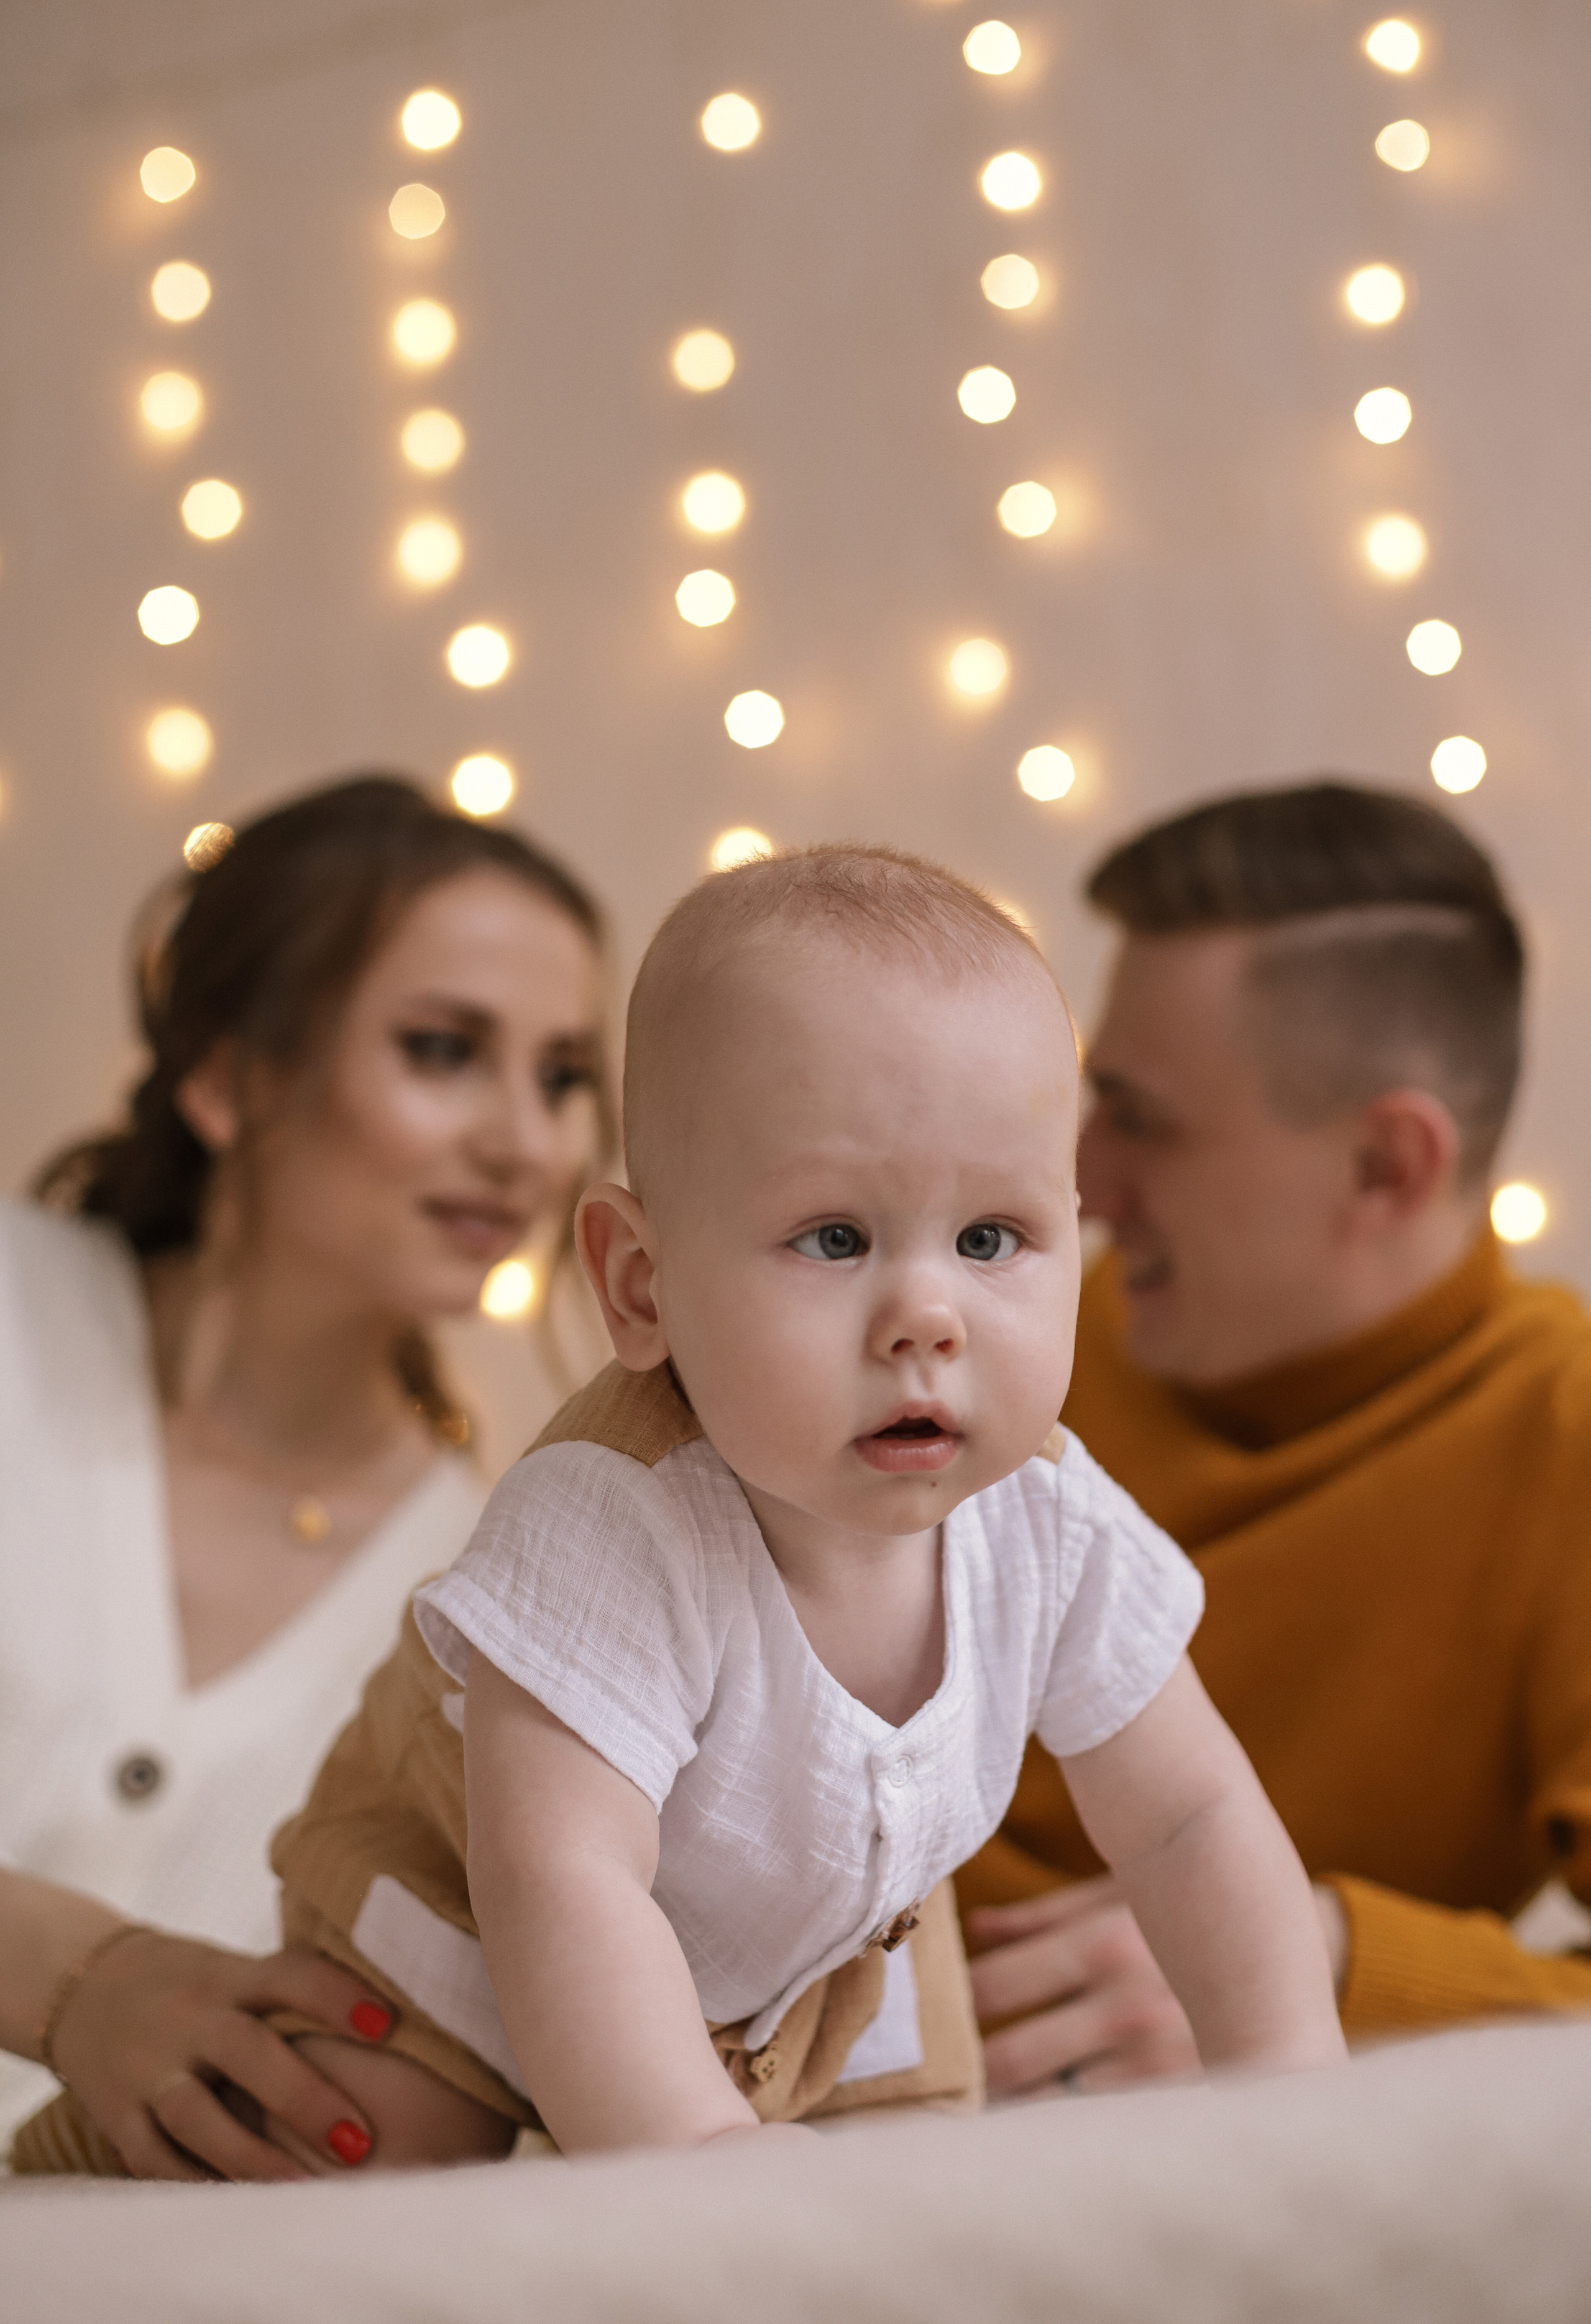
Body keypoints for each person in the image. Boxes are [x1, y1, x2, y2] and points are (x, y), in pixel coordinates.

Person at [86, 837, 1350, 2177]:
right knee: (373, 2145)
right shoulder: (611, 1525)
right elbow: (560, 1880)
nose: (928, 1317)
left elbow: (1189, 1817)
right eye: (833, 1239)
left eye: (991, 1240)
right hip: (470, 1938)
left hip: (823, 1967)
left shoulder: (1048, 1523)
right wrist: (696, 2172)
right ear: (639, 1287)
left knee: (932, 2202)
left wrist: (1290, 2101)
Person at [1, 775, 611, 2179]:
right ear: (227, 1076)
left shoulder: (490, 1595)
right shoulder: (15, 1315)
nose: (525, 1143)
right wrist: (75, 1975)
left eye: (562, 1075)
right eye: (443, 1049)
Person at [956, 782, 1591, 2098]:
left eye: (1140, 1118)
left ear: (1383, 1168)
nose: (1079, 1180)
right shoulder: (997, 1338)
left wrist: (1318, 1966)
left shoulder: (1559, 1433)